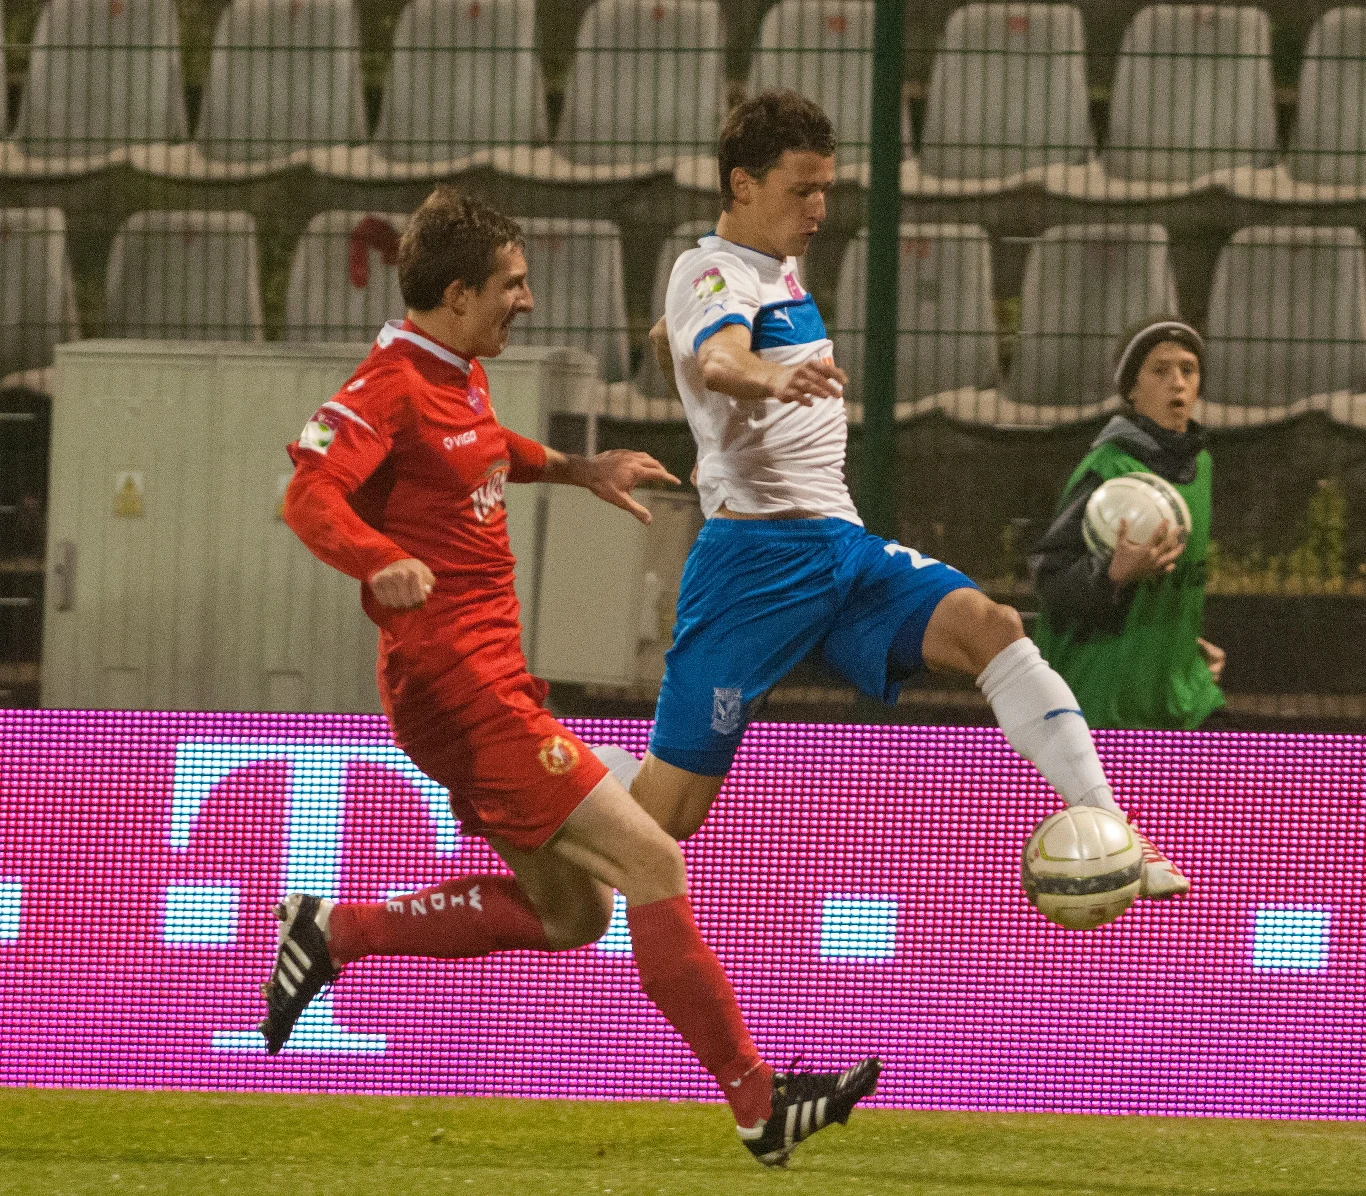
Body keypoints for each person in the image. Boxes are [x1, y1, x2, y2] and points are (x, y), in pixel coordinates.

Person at [261, 186, 880, 1168]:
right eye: (511, 284)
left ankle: (336, 929)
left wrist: (576, 466)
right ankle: (760, 1100)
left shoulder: (451, 372)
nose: (528, 300)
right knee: (653, 863)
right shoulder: (385, 385)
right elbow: (307, 493)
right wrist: (375, 558)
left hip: (483, 685)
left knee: (570, 912)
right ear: (455, 293)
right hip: (459, 689)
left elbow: (478, 451)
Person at [636, 89, 1189, 898]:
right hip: (752, 567)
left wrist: (707, 433)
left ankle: (1115, 832)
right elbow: (719, 357)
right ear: (740, 184)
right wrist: (765, 378)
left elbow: (672, 343)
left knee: (989, 626)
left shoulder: (774, 263)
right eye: (802, 189)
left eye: (827, 186)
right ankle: (553, 790)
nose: (821, 206)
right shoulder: (713, 270)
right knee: (666, 817)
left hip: (840, 551)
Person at [1030, 317, 1226, 730]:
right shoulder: (1109, 470)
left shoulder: (1200, 465)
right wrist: (1111, 574)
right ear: (1131, 390)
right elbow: (1049, 580)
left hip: (1176, 692)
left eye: (1188, 369)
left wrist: (1180, 648)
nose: (1178, 382)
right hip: (1105, 698)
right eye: (1160, 370)